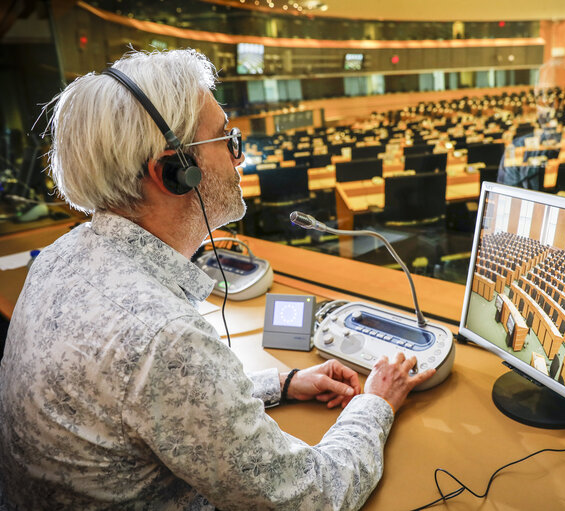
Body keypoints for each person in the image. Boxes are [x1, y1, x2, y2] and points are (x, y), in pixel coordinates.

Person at [0, 49, 435, 510]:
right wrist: (376, 403)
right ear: (173, 173)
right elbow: (312, 498)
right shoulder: (164, 338)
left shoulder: (58, 256)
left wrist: (282, 384)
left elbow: (151, 406)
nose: (238, 157)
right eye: (227, 139)